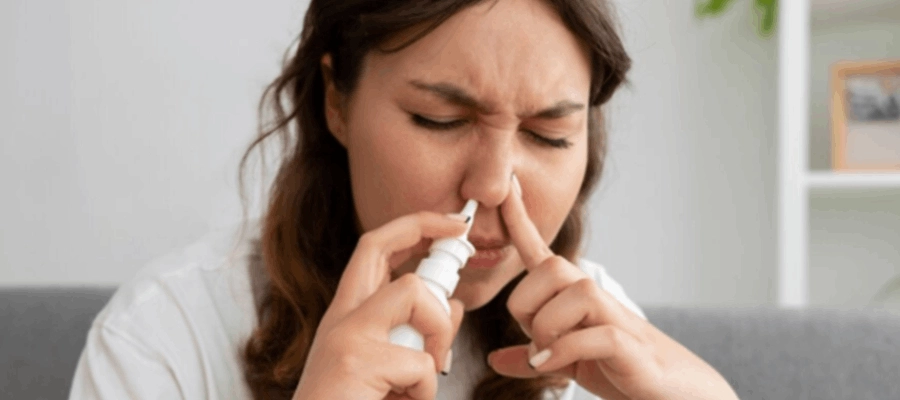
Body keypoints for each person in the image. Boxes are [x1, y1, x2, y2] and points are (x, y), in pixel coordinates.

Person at [69, 0, 740, 399]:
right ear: (336, 100)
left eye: (549, 134)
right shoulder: (165, 336)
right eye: (440, 121)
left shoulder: (597, 341)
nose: (491, 186)